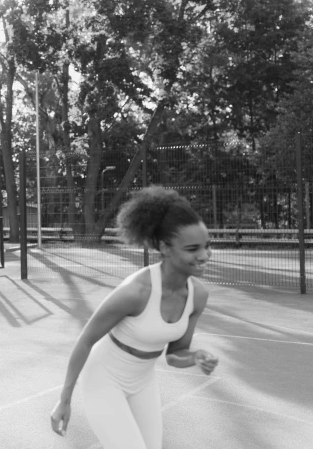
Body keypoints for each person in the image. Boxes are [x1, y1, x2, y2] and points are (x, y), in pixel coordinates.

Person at [50, 186, 218, 449]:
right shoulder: (136, 291)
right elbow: (85, 341)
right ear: (165, 248)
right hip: (103, 378)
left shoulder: (198, 295)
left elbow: (175, 354)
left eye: (207, 246)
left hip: (143, 382)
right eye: (193, 248)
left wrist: (195, 357)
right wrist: (65, 399)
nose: (204, 255)